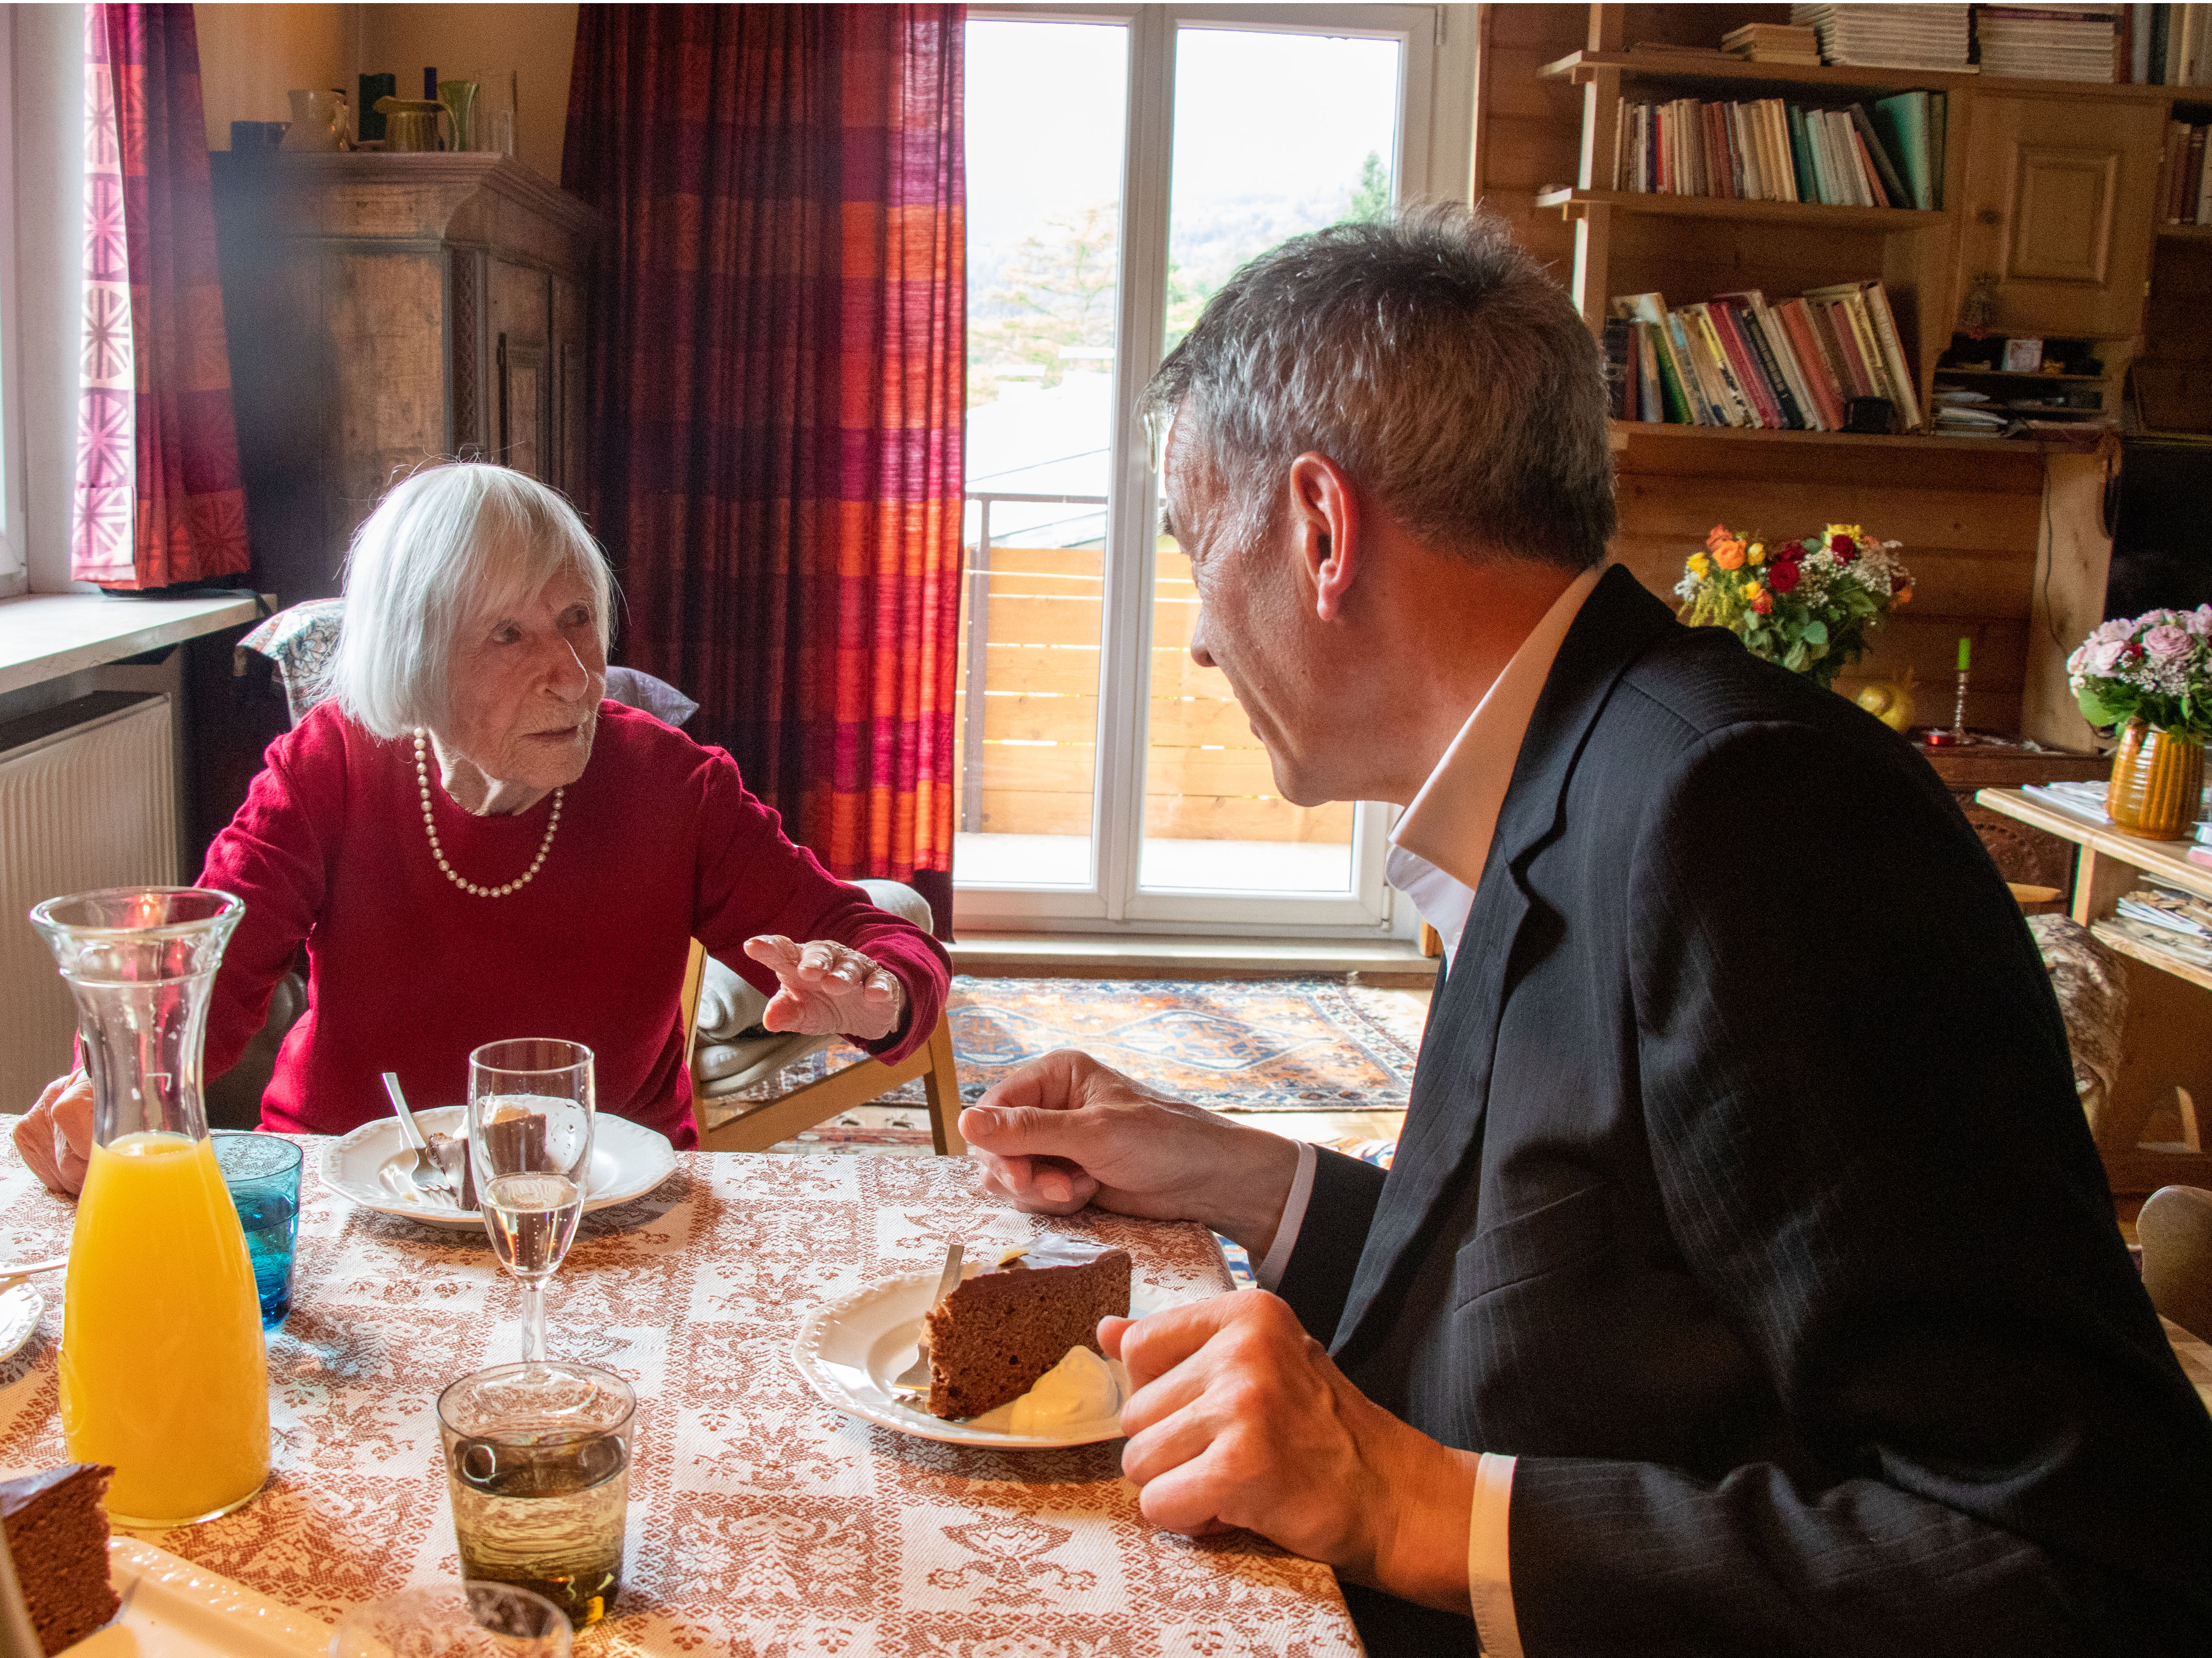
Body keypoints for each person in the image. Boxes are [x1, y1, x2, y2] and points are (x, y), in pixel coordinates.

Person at [959, 205, 2212, 1655]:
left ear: (1317, 528)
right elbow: (1593, 1305)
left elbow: (2090, 1567)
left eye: (1192, 542)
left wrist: (1411, 1506)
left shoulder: (1748, 818)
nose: (1191, 634)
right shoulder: (1584, 772)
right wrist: (1238, 1171)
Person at [18, 463, 950, 1189]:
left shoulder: (675, 785)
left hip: (604, 1198)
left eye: (578, 619)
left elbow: (876, 940)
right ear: (415, 653)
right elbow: (200, 982)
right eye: (509, 634)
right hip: (353, 1184)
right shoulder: (326, 768)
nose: (576, 675)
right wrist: (115, 1086)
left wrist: (878, 994)